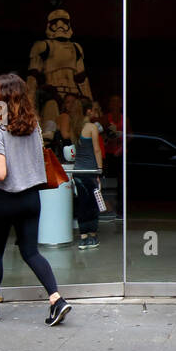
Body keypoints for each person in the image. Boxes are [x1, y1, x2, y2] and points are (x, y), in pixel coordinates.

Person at [0, 73, 71, 327]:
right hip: (31, 199)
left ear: (3, 96)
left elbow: (1, 173)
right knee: (31, 252)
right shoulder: (33, 126)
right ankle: (56, 299)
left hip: (3, 200)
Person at [73, 102, 106, 251]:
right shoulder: (92, 128)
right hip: (90, 171)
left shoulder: (76, 127)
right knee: (93, 204)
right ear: (89, 111)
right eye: (96, 110)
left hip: (78, 171)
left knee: (82, 203)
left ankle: (83, 237)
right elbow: (97, 150)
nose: (98, 113)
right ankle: (92, 235)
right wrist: (99, 169)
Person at [103, 94, 125, 220]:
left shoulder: (124, 118)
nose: (115, 105)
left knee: (121, 183)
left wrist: (122, 146)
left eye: (118, 102)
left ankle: (120, 209)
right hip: (108, 154)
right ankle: (108, 209)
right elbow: (101, 133)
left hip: (120, 154)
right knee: (108, 182)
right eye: (113, 102)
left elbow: (130, 135)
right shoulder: (106, 118)